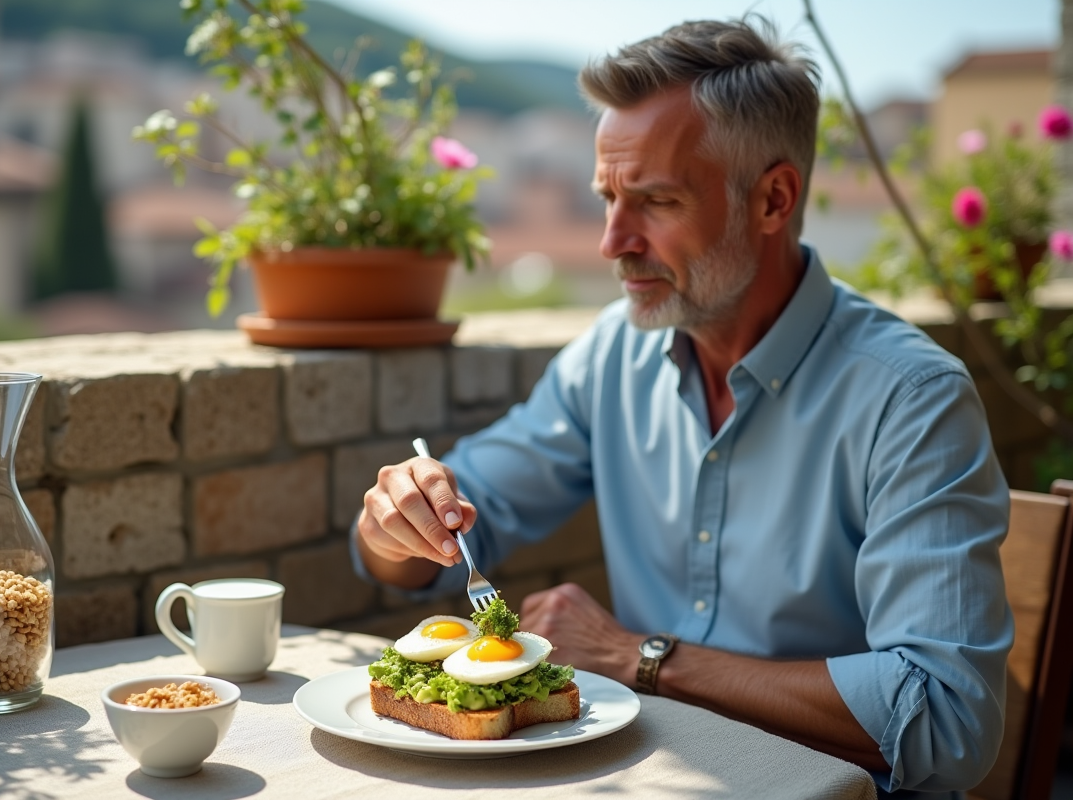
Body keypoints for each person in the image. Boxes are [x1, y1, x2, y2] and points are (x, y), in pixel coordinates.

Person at [352, 17, 1012, 798]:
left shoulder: (910, 399)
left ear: (773, 199)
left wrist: (638, 658)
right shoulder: (613, 353)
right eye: (606, 198)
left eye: (656, 201)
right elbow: (460, 522)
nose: (611, 242)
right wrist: (398, 519)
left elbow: (946, 719)